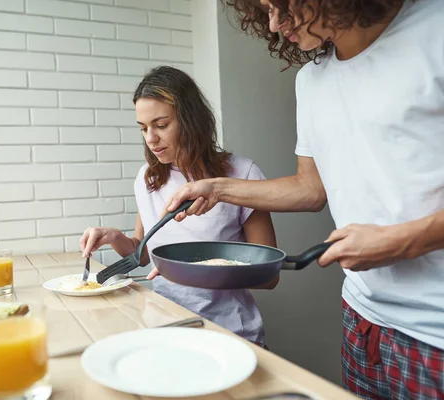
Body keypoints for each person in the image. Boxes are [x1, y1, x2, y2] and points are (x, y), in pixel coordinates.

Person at [163, 0, 444, 398]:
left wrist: (401, 240)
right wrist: (217, 188)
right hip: (363, 319)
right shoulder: (312, 80)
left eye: (282, 5)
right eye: (265, 10)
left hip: (437, 332)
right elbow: (309, 188)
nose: (275, 24)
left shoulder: (436, 29)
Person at [79, 66, 278, 346]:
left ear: (190, 120)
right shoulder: (148, 178)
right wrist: (115, 238)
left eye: (161, 125)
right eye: (144, 128)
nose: (151, 138)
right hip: (165, 327)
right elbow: (144, 251)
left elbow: (269, 276)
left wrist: (191, 267)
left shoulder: (242, 174)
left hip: (230, 334)